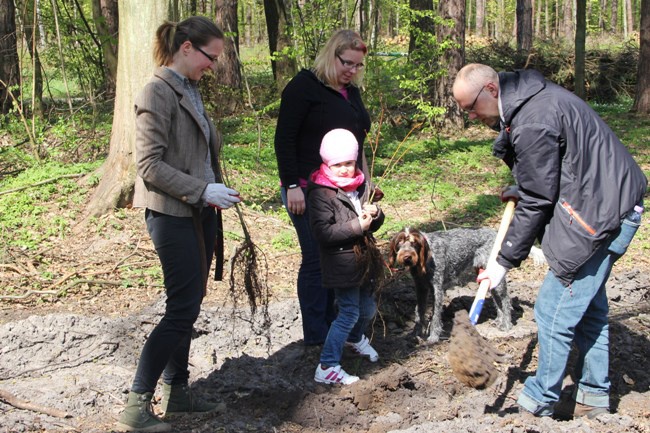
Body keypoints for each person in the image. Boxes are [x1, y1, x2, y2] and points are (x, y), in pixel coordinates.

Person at [452, 63, 647, 419]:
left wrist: (502, 262)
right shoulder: (531, 102)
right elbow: (550, 173)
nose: (470, 117)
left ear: (491, 91)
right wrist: (524, 187)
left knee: (552, 311)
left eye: (470, 108)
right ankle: (592, 397)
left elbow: (539, 199)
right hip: (607, 203)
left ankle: (539, 399)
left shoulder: (531, 121)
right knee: (589, 311)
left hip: (599, 217)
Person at [116, 16, 241, 433]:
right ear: (186, 48)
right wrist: (202, 190)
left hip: (198, 213)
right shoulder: (156, 91)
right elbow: (149, 165)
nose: (214, 66)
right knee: (181, 309)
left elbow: (197, 152)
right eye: (211, 57)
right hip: (171, 215)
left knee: (188, 308)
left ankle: (178, 392)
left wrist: (213, 190)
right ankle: (136, 406)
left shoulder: (191, 88)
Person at [274, 30, 372, 346]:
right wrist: (291, 186)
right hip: (307, 189)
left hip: (346, 189)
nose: (352, 71)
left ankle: (338, 328)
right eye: (347, 63)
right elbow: (284, 139)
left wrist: (366, 185)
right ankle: (317, 336)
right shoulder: (304, 88)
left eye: (358, 66)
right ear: (331, 55)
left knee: (341, 257)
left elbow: (360, 143)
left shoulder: (351, 93)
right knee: (317, 258)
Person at [306, 128, 385, 385]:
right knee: (349, 312)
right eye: (337, 164)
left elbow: (371, 223)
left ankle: (354, 339)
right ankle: (327, 365)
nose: (344, 170)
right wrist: (356, 227)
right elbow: (323, 233)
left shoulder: (360, 186)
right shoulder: (321, 193)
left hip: (363, 262)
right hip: (341, 263)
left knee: (367, 308)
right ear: (327, 163)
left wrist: (376, 214)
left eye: (349, 163)